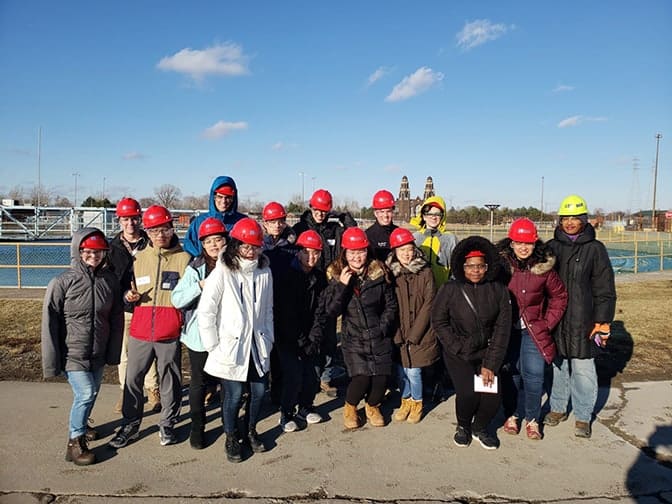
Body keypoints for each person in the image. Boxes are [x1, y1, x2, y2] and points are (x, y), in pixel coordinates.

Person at [108, 205, 191, 449]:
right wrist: (128, 296)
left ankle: (167, 423)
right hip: (141, 328)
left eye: (164, 229)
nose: (159, 235)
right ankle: (131, 424)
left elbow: (189, 296)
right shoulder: (139, 258)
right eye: (154, 231)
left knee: (170, 380)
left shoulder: (184, 259)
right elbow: (127, 289)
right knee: (133, 379)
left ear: (171, 228)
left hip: (169, 331)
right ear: (148, 232)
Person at [42, 228, 124, 465]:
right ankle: (74, 443)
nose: (94, 256)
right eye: (88, 252)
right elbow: (50, 322)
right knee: (85, 393)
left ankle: (83, 426)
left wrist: (113, 351)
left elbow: (116, 316)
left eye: (99, 252)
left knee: (93, 392)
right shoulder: (62, 282)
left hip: (97, 350)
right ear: (79, 251)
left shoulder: (109, 281)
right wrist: (52, 360)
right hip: (72, 352)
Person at [197, 217, 274, 463]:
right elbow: (207, 309)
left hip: (257, 343)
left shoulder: (264, 270)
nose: (250, 252)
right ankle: (231, 436)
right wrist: (212, 345)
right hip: (230, 345)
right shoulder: (223, 270)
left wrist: (269, 338)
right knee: (233, 394)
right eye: (245, 246)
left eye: (255, 247)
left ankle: (250, 429)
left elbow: (268, 309)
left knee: (260, 391)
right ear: (235, 245)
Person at [544, 195, 616, 439]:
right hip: (557, 320)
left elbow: (605, 289)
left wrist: (602, 320)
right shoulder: (551, 248)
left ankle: (583, 416)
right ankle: (557, 408)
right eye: (566, 218)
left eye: (576, 218)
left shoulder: (595, 250)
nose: (570, 222)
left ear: (584, 220)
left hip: (584, 320)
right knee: (559, 367)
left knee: (584, 369)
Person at [431, 236, 512, 450]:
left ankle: (480, 427)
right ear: (462, 266)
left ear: (487, 267)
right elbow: (438, 321)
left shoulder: (499, 290)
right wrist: (456, 346)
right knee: (468, 394)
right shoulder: (450, 289)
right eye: (470, 266)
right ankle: (463, 426)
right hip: (458, 352)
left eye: (480, 266)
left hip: (487, 352)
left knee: (492, 397)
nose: (475, 270)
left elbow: (502, 329)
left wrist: (491, 364)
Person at [497, 218, 568, 440]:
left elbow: (559, 297)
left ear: (535, 243)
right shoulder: (501, 267)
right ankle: (512, 414)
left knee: (534, 375)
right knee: (511, 373)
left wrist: (546, 323)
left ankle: (533, 418)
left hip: (533, 330)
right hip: (507, 330)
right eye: (518, 242)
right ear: (511, 243)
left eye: (527, 243)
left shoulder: (544, 269)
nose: (523, 247)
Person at [323, 227, 398, 429]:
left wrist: (383, 327)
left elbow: (391, 305)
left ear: (368, 251)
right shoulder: (337, 274)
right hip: (353, 337)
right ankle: (351, 407)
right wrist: (342, 286)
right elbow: (332, 311)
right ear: (345, 253)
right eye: (352, 252)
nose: (357, 256)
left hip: (378, 334)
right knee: (362, 378)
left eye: (361, 251)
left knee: (380, 380)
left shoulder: (379, 272)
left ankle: (373, 406)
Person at [171, 217, 228, 449]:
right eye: (209, 241)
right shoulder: (195, 268)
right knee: (198, 383)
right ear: (202, 244)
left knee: (228, 382)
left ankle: (229, 425)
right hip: (199, 337)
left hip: (226, 335)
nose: (215, 245)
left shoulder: (234, 264)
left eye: (219, 239)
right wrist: (199, 287)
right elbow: (177, 299)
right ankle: (198, 427)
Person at [293, 189, 355, 397]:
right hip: (307, 285)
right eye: (317, 209)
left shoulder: (334, 230)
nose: (320, 213)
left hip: (329, 286)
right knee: (308, 331)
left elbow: (352, 234)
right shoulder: (300, 228)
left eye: (324, 210)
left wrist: (344, 217)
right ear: (311, 208)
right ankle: (307, 372)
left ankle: (326, 376)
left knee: (328, 333)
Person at [107, 197, 160, 414]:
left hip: (148, 307)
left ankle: (153, 389)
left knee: (150, 351)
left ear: (140, 219)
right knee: (125, 353)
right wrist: (123, 295)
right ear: (119, 220)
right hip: (124, 309)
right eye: (126, 219)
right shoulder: (112, 248)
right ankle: (125, 391)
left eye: (134, 219)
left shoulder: (151, 243)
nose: (130, 224)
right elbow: (109, 280)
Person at [274, 230, 328, 433]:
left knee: (312, 373)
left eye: (315, 253)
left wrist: (314, 338)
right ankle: (286, 413)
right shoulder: (287, 276)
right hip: (288, 335)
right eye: (306, 252)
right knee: (293, 374)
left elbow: (321, 312)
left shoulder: (320, 278)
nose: (311, 257)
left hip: (310, 334)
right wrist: (301, 341)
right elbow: (286, 314)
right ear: (298, 253)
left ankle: (306, 407)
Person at [386, 227, 439, 424]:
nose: (406, 254)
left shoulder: (425, 272)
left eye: (409, 249)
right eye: (401, 251)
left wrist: (415, 334)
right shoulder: (390, 274)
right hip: (399, 330)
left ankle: (417, 403)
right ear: (394, 253)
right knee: (401, 371)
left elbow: (429, 303)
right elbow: (389, 304)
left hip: (421, 332)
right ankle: (405, 400)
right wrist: (397, 332)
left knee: (414, 372)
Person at [261, 201, 298, 404]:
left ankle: (279, 393)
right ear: (265, 223)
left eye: (280, 221)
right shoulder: (258, 247)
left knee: (281, 353)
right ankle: (260, 392)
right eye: (272, 221)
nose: (276, 225)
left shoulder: (292, 247)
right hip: (262, 307)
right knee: (264, 352)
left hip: (284, 307)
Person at [183, 176, 246, 257]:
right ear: (214, 197)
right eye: (220, 197)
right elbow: (189, 245)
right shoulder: (199, 222)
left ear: (233, 198)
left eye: (228, 197)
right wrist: (203, 261)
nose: (224, 201)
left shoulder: (242, 222)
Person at [410, 195, 458, 287]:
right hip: (421, 291)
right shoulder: (415, 238)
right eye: (430, 214)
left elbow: (456, 266)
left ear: (442, 216)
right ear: (423, 216)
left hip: (444, 290)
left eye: (437, 214)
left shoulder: (450, 239)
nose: (433, 217)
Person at [366, 189, 398, 262]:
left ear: (393, 212)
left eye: (388, 211)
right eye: (382, 212)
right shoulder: (368, 236)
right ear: (375, 213)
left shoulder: (398, 233)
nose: (385, 215)